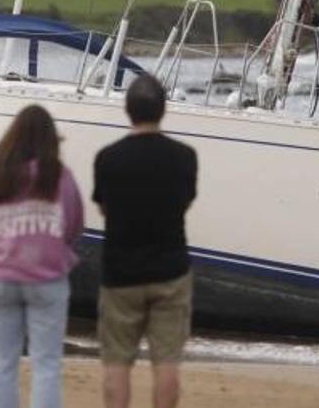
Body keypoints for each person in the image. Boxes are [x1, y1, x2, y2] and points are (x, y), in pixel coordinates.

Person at [92, 74, 198, 408]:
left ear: (127, 110)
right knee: (167, 363)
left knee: (117, 365)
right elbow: (186, 201)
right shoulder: (184, 156)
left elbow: (103, 208)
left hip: (120, 273)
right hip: (170, 271)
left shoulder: (108, 158)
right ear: (163, 110)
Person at [0, 105, 84, 408]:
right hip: (48, 279)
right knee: (46, 365)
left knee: (3, 364)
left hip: (2, 277)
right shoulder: (59, 177)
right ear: (51, 140)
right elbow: (74, 224)